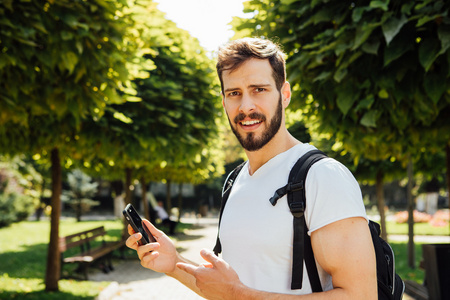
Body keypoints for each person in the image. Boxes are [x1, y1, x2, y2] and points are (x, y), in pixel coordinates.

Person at [126, 37, 377, 299]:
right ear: (224, 102)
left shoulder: (322, 177)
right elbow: (226, 290)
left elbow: (361, 296)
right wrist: (173, 263)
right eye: (234, 93)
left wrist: (237, 293)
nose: (246, 107)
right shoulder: (236, 181)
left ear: (285, 94)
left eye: (259, 89)